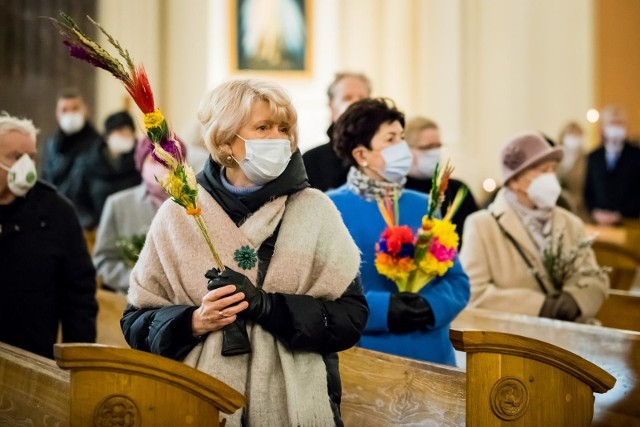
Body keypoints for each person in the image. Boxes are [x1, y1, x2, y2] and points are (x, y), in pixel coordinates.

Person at [121, 79, 369, 426]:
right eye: (263, 127)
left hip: (295, 403)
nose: (279, 138)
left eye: (284, 128)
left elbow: (351, 317)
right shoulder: (180, 213)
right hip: (199, 402)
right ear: (225, 142)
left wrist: (270, 308)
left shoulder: (315, 210)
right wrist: (193, 322)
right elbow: (135, 322)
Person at [326, 98, 470, 365]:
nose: (401, 147)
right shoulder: (330, 208)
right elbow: (322, 295)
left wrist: (432, 306)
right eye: (390, 139)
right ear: (361, 154)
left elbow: (457, 282)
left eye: (402, 137)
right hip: (369, 357)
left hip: (432, 354)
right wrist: (383, 309)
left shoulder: (425, 205)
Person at [460, 132, 609, 323]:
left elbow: (593, 277)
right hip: (513, 339)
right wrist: (540, 306)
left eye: (553, 169)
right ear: (514, 180)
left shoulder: (570, 222)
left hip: (570, 334)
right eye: (542, 170)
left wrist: (575, 300)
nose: (551, 177)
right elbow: (474, 292)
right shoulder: (483, 225)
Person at [0, 112, 97, 359]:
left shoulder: (56, 211)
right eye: (15, 157)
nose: (25, 165)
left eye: (30, 157)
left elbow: (79, 293)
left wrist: (78, 360)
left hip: (33, 356)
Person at [93, 137, 186, 293]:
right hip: (131, 302)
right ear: (141, 164)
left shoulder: (195, 205)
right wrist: (138, 279)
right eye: (153, 161)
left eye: (167, 161)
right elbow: (103, 261)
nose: (161, 167)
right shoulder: (118, 204)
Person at [404, 116, 479, 242]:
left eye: (438, 146)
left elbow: (476, 235)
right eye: (427, 147)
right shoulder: (398, 192)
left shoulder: (458, 189)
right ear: (406, 150)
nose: (434, 152)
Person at [303, 72, 371, 191]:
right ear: (331, 106)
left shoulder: (383, 155)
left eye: (362, 98)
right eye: (347, 98)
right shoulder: (311, 160)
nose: (356, 104)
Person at [75, 111, 142, 231]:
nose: (125, 137)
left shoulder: (140, 163)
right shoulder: (89, 163)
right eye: (120, 132)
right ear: (108, 136)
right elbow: (78, 199)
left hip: (134, 228)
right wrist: (90, 224)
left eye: (129, 133)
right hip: (97, 229)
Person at [41, 88, 102, 211]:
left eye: (75, 108)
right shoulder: (51, 146)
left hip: (87, 220)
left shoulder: (98, 144)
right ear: (57, 115)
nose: (70, 114)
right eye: (64, 110)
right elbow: (45, 180)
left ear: (86, 111)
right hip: (55, 213)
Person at [584, 105, 640, 224]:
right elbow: (588, 190)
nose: (615, 127)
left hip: (629, 221)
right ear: (603, 127)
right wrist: (595, 212)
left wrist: (620, 214)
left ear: (626, 127)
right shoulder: (593, 156)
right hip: (599, 223)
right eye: (611, 123)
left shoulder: (636, 155)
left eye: (619, 123)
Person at [557, 121, 588, 220]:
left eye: (577, 135)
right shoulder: (556, 157)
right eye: (571, 134)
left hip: (579, 208)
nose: (574, 138)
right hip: (557, 206)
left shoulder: (586, 159)